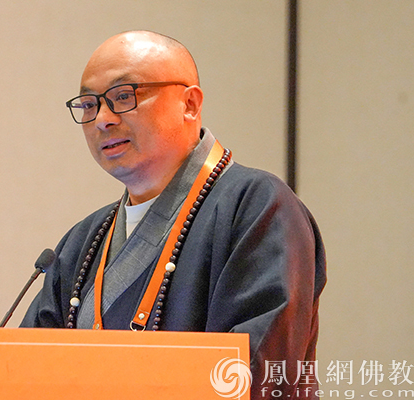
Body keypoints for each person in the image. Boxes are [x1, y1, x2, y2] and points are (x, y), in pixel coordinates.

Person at [21, 30, 326, 399]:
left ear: (190, 104)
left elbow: (253, 370)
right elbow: (23, 369)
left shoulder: (257, 206)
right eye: (89, 104)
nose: (102, 119)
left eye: (123, 96)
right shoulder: (83, 241)